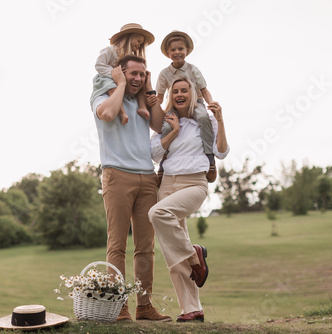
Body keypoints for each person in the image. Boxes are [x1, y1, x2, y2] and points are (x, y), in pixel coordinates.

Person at [91, 54, 171, 322]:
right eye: (132, 74)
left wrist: (150, 92)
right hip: (117, 175)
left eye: (142, 74)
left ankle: (144, 307)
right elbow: (108, 114)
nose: (137, 78)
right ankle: (119, 307)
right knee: (117, 245)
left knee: (145, 247)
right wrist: (120, 85)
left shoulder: (142, 104)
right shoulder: (104, 95)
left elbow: (159, 126)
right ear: (120, 74)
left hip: (147, 177)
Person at [148, 77, 229, 322]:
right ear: (171, 96)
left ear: (192, 95)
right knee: (172, 254)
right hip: (167, 184)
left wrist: (221, 120)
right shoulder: (166, 122)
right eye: (176, 91)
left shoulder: (205, 122)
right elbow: (153, 153)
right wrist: (173, 131)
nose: (180, 94)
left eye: (185, 90)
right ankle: (191, 309)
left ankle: (195, 256)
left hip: (194, 183)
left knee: (157, 214)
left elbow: (222, 151)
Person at [155, 31, 217, 182]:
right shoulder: (164, 74)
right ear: (168, 53)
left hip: (195, 103)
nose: (177, 52)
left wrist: (212, 105)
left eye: (180, 49)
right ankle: (163, 161)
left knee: (203, 118)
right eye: (173, 50)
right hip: (174, 105)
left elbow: (204, 90)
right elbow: (160, 97)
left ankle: (210, 158)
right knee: (167, 127)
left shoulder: (193, 69)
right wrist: (158, 113)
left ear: (186, 51)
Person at [90, 23, 155, 125]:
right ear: (129, 38)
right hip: (107, 77)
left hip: (121, 79)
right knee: (111, 86)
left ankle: (142, 107)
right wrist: (115, 73)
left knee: (140, 84)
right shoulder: (111, 50)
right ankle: (122, 112)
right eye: (138, 41)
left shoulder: (131, 57)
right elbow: (99, 65)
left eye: (141, 44)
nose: (139, 45)